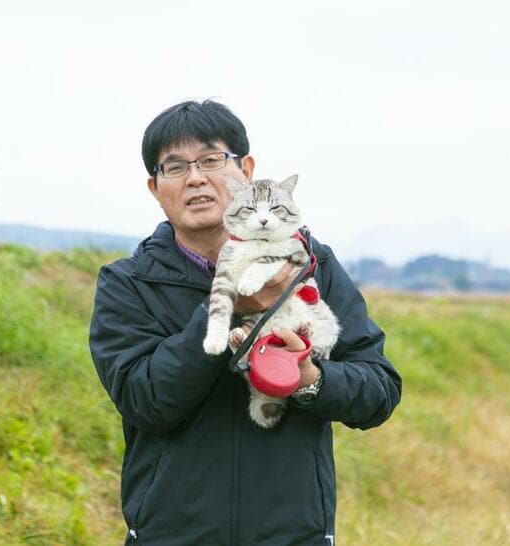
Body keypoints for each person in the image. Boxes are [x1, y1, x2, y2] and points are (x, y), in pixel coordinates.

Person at [89, 100, 402, 546]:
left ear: (247, 170)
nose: (195, 178)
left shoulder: (312, 263)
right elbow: (145, 401)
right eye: (174, 167)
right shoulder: (129, 283)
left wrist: (310, 378)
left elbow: (379, 391)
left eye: (211, 160)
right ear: (154, 188)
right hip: (173, 536)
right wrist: (232, 301)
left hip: (293, 536)